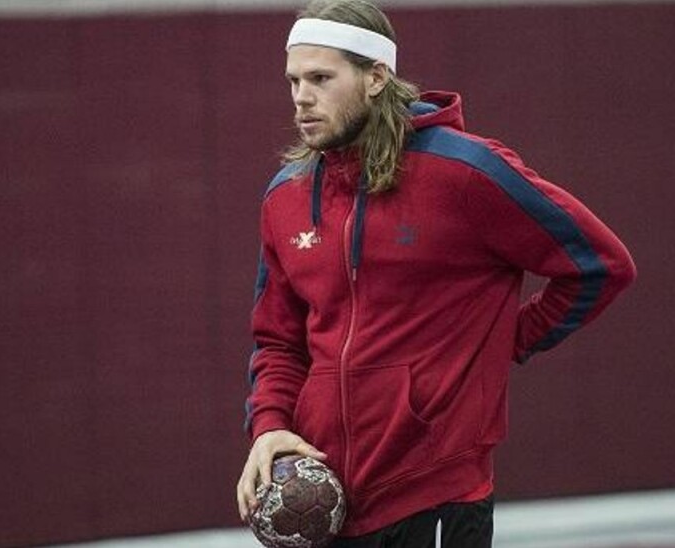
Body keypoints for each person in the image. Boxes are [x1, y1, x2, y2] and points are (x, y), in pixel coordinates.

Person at [236, 1, 637, 546]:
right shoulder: (285, 196)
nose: (301, 97)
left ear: (376, 77)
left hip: (437, 496)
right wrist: (271, 428)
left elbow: (599, 265)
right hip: (327, 500)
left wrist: (504, 341)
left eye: (321, 78)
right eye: (293, 80)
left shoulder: (466, 173)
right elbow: (279, 341)